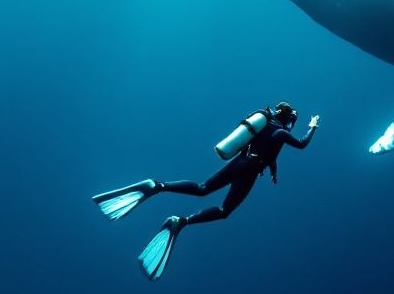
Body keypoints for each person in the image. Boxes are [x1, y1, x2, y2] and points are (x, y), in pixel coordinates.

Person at [91, 102, 319, 281]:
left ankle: (157, 186)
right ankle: (181, 221)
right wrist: (312, 127)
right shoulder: (280, 132)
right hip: (248, 171)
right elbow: (301, 144)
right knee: (224, 210)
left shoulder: (265, 125)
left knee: (203, 188)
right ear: (289, 119)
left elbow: (269, 151)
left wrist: (273, 169)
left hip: (239, 162)